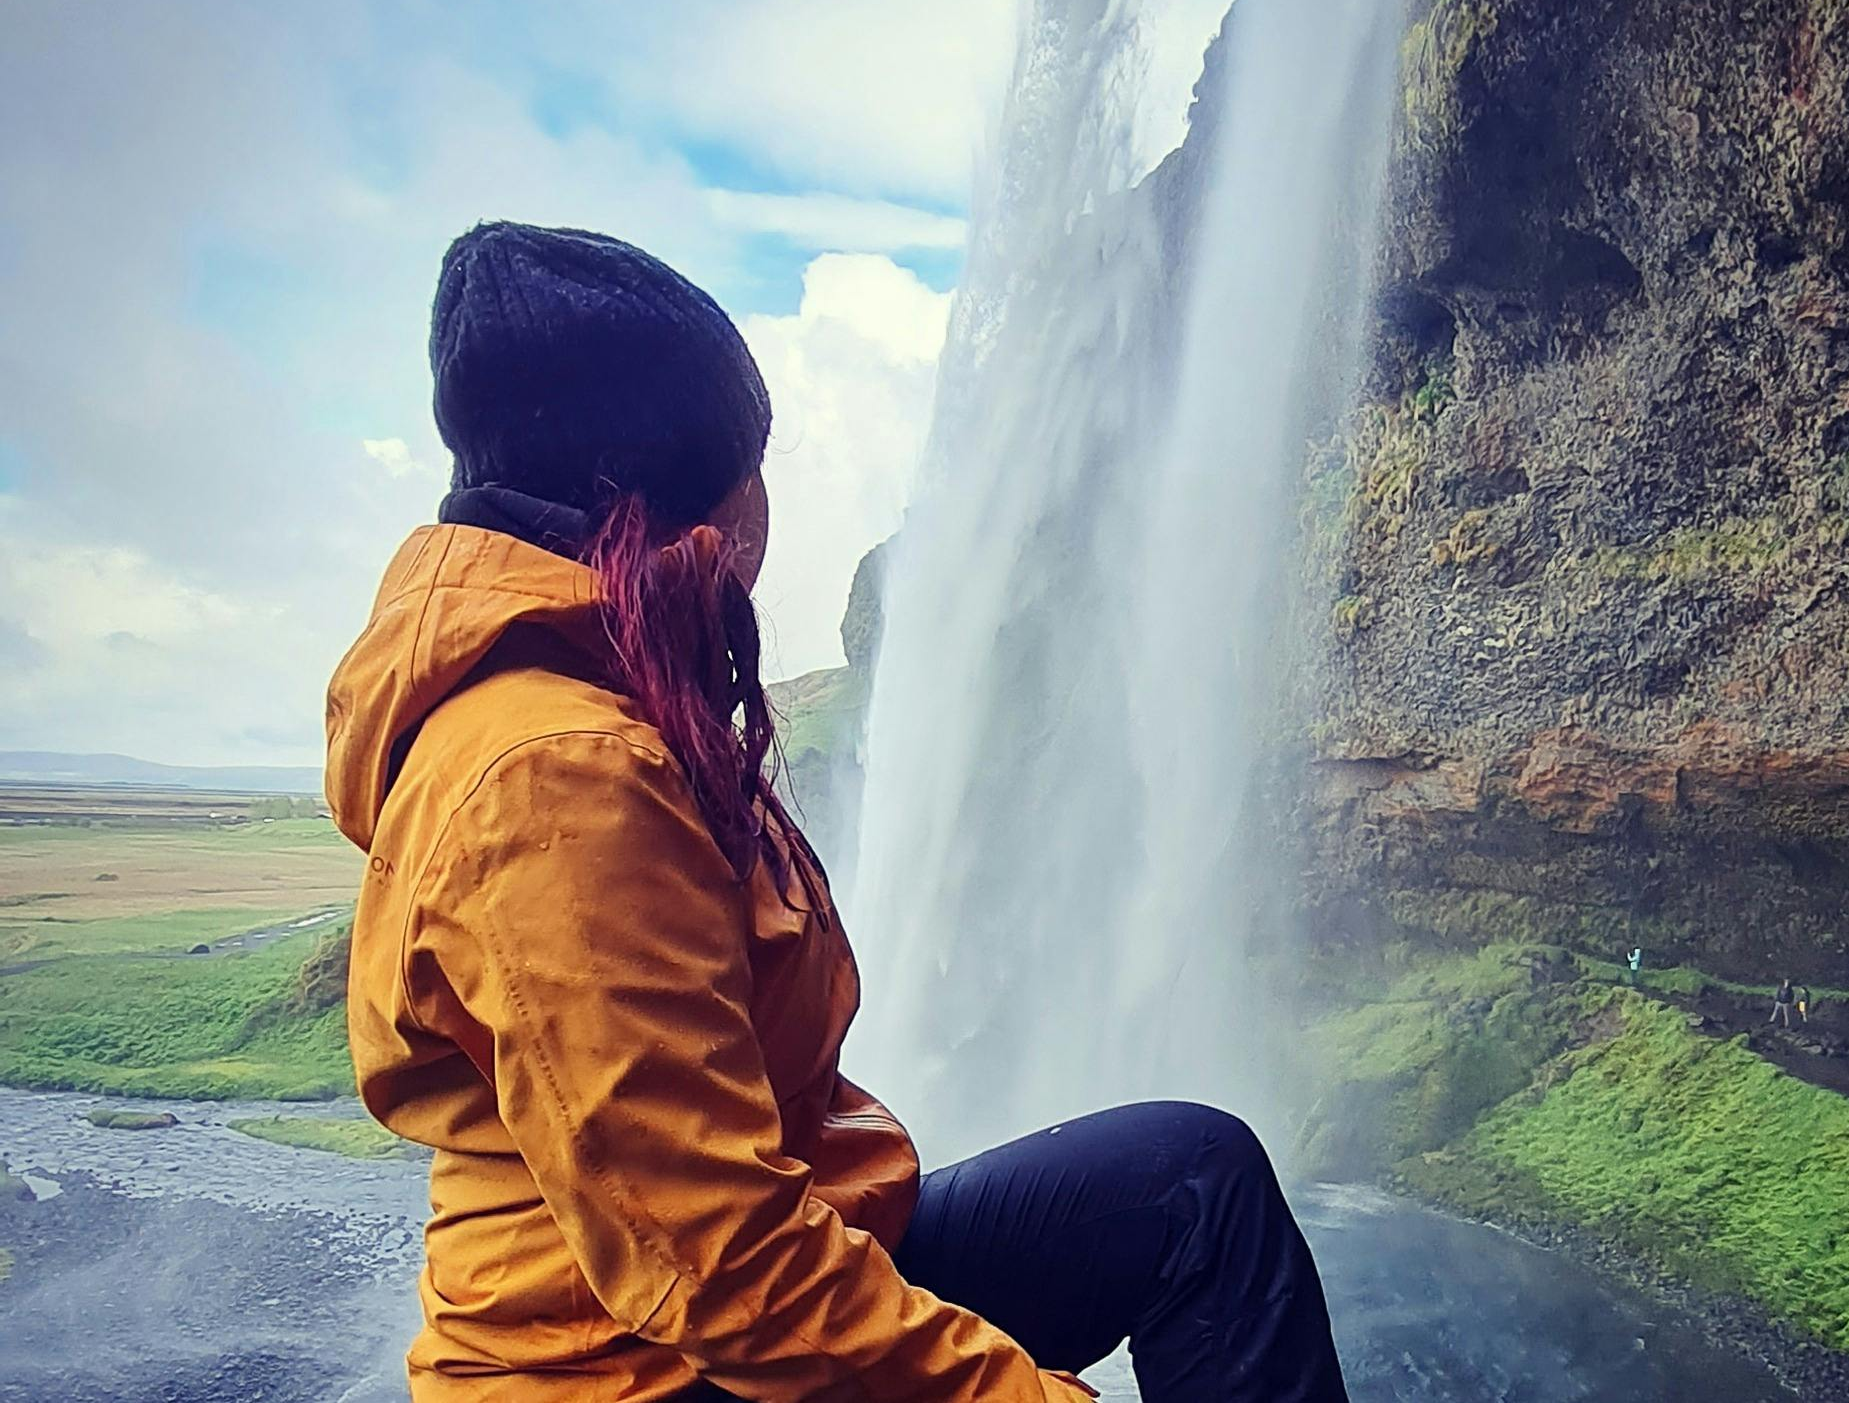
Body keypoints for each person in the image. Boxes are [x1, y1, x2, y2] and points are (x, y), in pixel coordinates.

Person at [324, 224, 1349, 1403]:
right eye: (749, 458)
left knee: (1191, 1180)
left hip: (719, 1281)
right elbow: (723, 1271)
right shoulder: (553, 777)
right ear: (675, 494)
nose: (769, 501)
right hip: (632, 1369)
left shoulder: (589, 698)